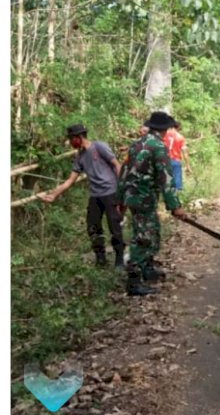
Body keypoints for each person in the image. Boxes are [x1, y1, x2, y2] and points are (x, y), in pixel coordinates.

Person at [117, 111, 187, 296]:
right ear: (165, 129)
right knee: (144, 237)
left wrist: (120, 198)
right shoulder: (158, 147)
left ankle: (148, 270)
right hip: (144, 197)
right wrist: (175, 206)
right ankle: (133, 281)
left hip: (133, 197)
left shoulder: (137, 144)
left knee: (152, 230)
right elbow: (166, 178)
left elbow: (124, 172)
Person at [39, 124, 125, 267]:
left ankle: (119, 259)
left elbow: (117, 165)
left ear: (79, 137)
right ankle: (100, 259)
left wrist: (121, 190)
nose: (71, 143)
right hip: (95, 195)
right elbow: (70, 181)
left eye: (72, 139)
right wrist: (53, 195)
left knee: (114, 226)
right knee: (92, 227)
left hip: (111, 192)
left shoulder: (99, 147)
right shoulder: (80, 156)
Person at [163, 120, 190, 191]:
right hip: (175, 160)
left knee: (165, 181)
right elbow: (184, 152)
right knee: (177, 183)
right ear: (178, 127)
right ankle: (177, 197)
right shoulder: (180, 137)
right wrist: (188, 165)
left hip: (164, 160)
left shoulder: (164, 135)